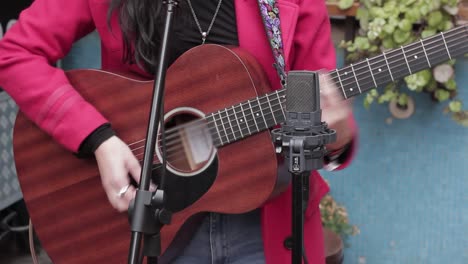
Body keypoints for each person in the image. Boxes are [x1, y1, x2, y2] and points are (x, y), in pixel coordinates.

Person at [0, 0, 357, 263]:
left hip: (265, 224)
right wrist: (98, 139)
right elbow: (16, 53)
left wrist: (335, 134)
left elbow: (318, 109)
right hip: (152, 220)